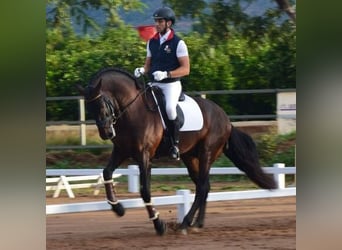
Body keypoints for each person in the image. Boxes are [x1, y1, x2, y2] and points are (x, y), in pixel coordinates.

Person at [134, 6, 190, 160]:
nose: (157, 24)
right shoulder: (152, 42)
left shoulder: (178, 43)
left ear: (169, 23)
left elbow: (186, 69)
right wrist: (142, 70)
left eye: (160, 21)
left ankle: (175, 145)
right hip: (155, 83)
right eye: (156, 21)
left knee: (170, 109)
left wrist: (167, 74)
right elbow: (148, 65)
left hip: (171, 84)